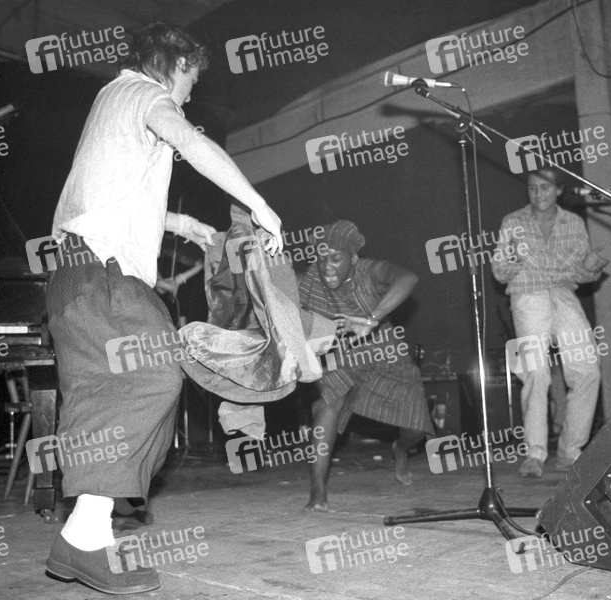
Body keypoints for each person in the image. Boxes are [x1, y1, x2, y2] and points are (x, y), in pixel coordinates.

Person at [43, 22, 283, 595]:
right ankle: (82, 536)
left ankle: (86, 534)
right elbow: (194, 145)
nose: (190, 95)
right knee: (152, 374)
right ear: (175, 65)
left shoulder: (110, 98)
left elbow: (106, 191)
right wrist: (260, 206)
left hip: (74, 273)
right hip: (102, 273)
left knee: (111, 387)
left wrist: (178, 223)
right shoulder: (146, 94)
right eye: (191, 80)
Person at [297, 220, 434, 512]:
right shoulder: (310, 281)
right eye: (321, 258)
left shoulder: (371, 270)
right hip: (339, 353)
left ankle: (400, 448)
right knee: (328, 404)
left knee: (416, 428)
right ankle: (318, 491)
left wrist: (372, 320)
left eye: (336, 259)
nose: (327, 267)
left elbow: (408, 278)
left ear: (354, 257)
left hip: (383, 351)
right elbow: (274, 288)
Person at [491, 168, 607, 478]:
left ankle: (570, 450)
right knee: (535, 373)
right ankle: (535, 454)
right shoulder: (512, 221)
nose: (538, 193)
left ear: (558, 190)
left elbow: (581, 275)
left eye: (544, 188)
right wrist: (513, 258)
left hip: (564, 294)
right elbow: (499, 272)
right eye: (532, 188)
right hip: (527, 296)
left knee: (587, 370)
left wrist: (590, 268)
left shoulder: (574, 223)